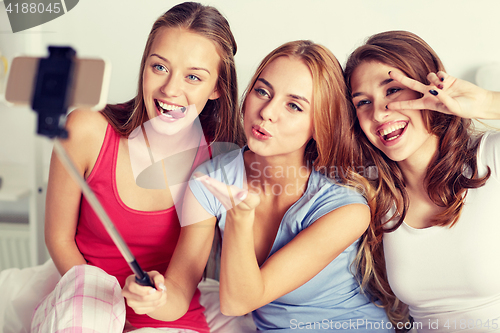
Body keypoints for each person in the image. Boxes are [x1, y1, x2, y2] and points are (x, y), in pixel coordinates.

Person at [32, 2, 244, 332]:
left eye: (193, 77)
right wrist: (102, 307)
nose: (171, 90)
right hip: (84, 302)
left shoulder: (218, 162)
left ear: (217, 87)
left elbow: (178, 296)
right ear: (145, 65)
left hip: (170, 316)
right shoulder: (85, 130)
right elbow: (58, 239)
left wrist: (155, 300)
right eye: (159, 67)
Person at [187, 40, 393, 332]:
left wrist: (239, 217)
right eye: (262, 91)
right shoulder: (212, 177)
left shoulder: (345, 209)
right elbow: (181, 284)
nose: (268, 112)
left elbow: (237, 302)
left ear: (320, 123)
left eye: (294, 105)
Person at [344, 30, 500, 332]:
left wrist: (486, 102)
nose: (378, 113)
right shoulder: (374, 196)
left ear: (427, 88)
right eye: (362, 102)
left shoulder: (489, 156)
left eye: (392, 91)